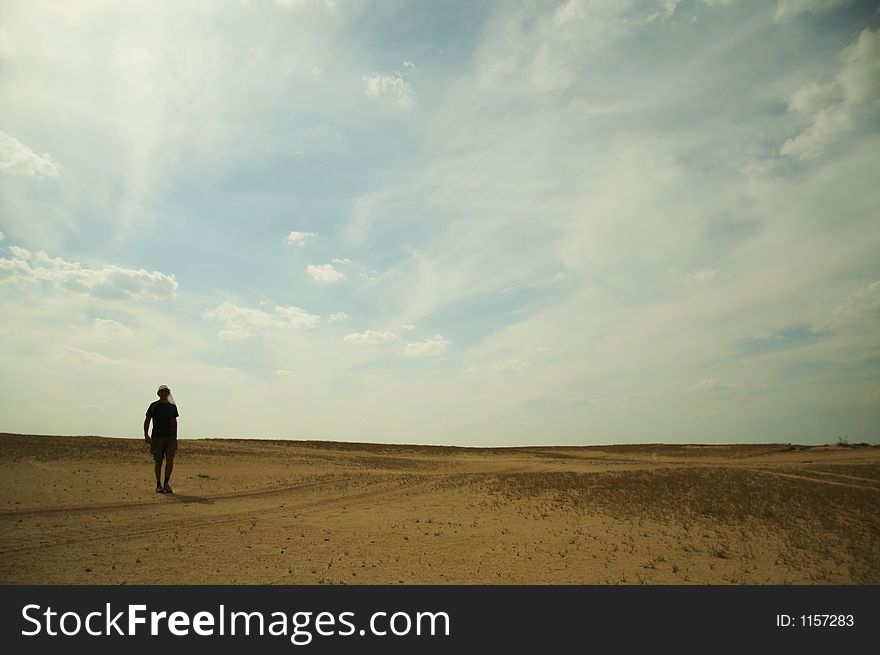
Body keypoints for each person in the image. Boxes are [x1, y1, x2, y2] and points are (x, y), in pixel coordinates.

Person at [144, 384, 179, 493]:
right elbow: (148, 420)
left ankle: (166, 483)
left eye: (166, 392)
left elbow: (174, 422)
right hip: (157, 437)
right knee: (158, 461)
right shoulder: (154, 406)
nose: (164, 393)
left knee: (170, 459)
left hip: (170, 438)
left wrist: (175, 437)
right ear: (159, 393)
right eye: (162, 392)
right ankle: (158, 484)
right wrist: (146, 435)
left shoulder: (172, 406)